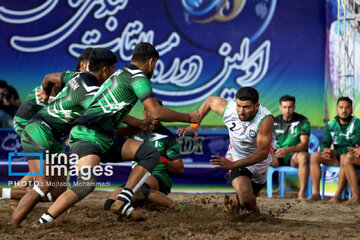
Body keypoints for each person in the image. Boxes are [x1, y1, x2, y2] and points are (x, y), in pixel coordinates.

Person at [36, 42, 199, 225]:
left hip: (104, 137)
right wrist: (188, 116)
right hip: (89, 135)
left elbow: (111, 110)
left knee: (149, 153)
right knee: (86, 184)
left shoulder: (121, 73)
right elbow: (156, 112)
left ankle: (122, 201)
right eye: (155, 65)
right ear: (152, 62)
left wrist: (138, 124)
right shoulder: (138, 77)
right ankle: (43, 222)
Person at [9, 48, 118, 225]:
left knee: (57, 192)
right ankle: (12, 225)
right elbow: (111, 116)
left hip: (50, 135)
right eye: (113, 69)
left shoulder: (75, 76)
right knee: (43, 183)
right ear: (105, 69)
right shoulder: (93, 92)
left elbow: (48, 78)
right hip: (39, 129)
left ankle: (5, 194)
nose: (114, 73)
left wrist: (46, 91)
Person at [2, 48, 94, 210]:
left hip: (46, 126)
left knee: (61, 163)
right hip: (29, 121)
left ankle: (60, 199)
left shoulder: (84, 82)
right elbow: (50, 82)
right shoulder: (73, 78)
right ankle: (12, 194)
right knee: (47, 167)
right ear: (82, 65)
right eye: (94, 65)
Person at [177, 87, 273, 212]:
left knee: (245, 201)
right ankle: (259, 218)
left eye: (246, 107)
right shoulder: (230, 110)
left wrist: (232, 164)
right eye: (239, 106)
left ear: (256, 106)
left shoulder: (265, 119)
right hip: (237, 156)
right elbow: (210, 101)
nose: (241, 111)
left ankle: (234, 205)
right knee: (247, 198)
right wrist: (195, 125)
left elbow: (262, 153)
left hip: (259, 163)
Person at [104, 101, 184, 211]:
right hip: (138, 176)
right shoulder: (133, 131)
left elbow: (179, 169)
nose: (155, 115)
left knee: (140, 190)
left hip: (160, 176)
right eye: (151, 111)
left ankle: (177, 206)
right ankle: (149, 204)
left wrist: (164, 161)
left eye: (158, 112)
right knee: (109, 205)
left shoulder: (168, 136)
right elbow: (110, 131)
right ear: (144, 113)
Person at [307, 97, 360, 201]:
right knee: (315, 156)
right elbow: (325, 142)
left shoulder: (357, 124)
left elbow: (354, 147)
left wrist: (335, 152)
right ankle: (316, 193)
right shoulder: (331, 124)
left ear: (352, 110)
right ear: (337, 109)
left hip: (349, 158)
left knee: (344, 157)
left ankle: (338, 195)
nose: (344, 110)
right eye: (341, 107)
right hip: (336, 157)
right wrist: (325, 150)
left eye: (347, 107)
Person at [271, 95, 310, 200]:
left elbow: (304, 144)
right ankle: (254, 190)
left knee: (304, 156)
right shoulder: (274, 121)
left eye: (290, 107)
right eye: (284, 107)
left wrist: (288, 150)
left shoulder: (303, 121)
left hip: (294, 156)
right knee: (260, 156)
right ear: (280, 107)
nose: (287, 110)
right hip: (278, 155)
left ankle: (301, 193)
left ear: (294, 107)